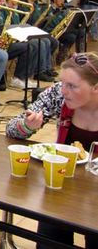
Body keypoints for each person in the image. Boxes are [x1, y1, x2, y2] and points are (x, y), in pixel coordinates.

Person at [6, 52, 98, 248]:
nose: (63, 90)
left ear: (96, 88)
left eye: (72, 86)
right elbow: (11, 128)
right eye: (62, 82)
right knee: (49, 238)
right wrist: (28, 125)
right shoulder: (58, 94)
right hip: (62, 185)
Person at [4, 0, 55, 82]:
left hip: (18, 35)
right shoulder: (6, 10)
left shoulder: (16, 11)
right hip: (9, 40)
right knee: (34, 44)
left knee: (44, 41)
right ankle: (25, 76)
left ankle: (37, 72)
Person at [20, 0, 59, 77]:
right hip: (26, 31)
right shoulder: (23, 6)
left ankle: (46, 67)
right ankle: (40, 71)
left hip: (36, 30)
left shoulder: (37, 6)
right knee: (44, 42)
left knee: (54, 42)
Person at [42, 0, 86, 65]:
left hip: (61, 31)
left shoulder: (64, 9)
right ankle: (61, 57)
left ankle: (78, 55)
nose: (62, 1)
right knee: (71, 37)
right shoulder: (48, 8)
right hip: (50, 30)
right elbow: (44, 22)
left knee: (81, 31)